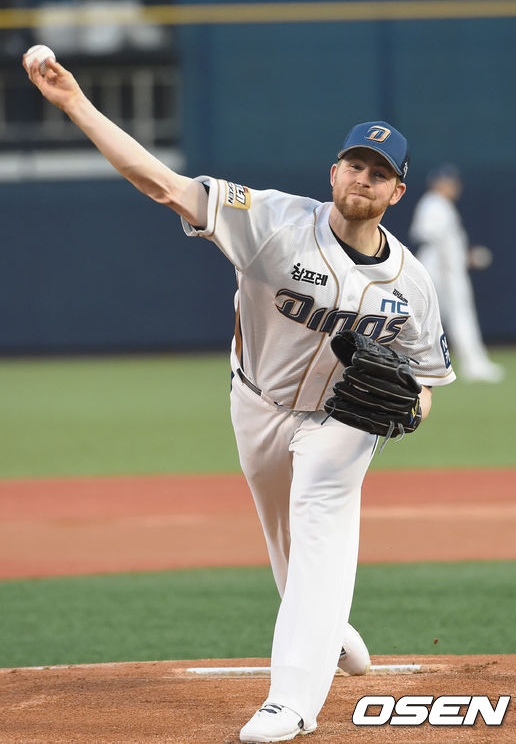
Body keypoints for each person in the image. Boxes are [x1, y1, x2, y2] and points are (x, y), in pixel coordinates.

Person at [24, 54, 455, 743]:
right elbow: (163, 184)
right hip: (256, 400)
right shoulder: (274, 222)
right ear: (334, 172)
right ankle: (329, 627)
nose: (363, 179)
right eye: (355, 165)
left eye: (379, 173)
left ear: (396, 191)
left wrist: (410, 410)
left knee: (321, 525)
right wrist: (75, 102)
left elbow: (425, 382)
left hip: (341, 421)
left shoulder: (414, 284)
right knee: (284, 544)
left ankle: (292, 702)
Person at [409, 164, 504, 383]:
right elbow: (428, 235)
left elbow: (447, 241)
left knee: (435, 319)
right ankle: (473, 364)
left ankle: (470, 362)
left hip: (442, 266)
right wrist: (449, 264)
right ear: (439, 183)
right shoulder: (433, 203)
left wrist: (464, 256)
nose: (455, 186)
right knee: (456, 315)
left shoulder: (440, 204)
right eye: (450, 182)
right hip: (441, 268)